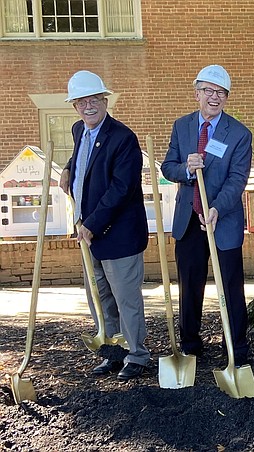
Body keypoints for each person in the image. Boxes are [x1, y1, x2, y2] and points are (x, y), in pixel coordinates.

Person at [60, 70, 150, 381]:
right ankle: (113, 351)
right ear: (74, 107)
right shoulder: (78, 130)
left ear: (105, 100)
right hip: (89, 233)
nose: (88, 106)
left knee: (126, 299)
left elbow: (121, 188)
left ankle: (137, 355)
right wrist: (68, 170)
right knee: (99, 297)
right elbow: (83, 159)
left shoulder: (123, 138)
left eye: (94, 99)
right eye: (81, 102)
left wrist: (92, 224)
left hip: (118, 233)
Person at [161, 65, 252, 364]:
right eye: (209, 91)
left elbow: (237, 179)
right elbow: (167, 167)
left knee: (231, 288)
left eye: (221, 93)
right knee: (190, 286)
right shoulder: (182, 126)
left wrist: (216, 209)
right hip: (189, 221)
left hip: (222, 220)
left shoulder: (238, 133)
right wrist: (186, 169)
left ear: (226, 97)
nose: (214, 98)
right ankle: (190, 345)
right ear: (197, 93)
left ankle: (236, 349)